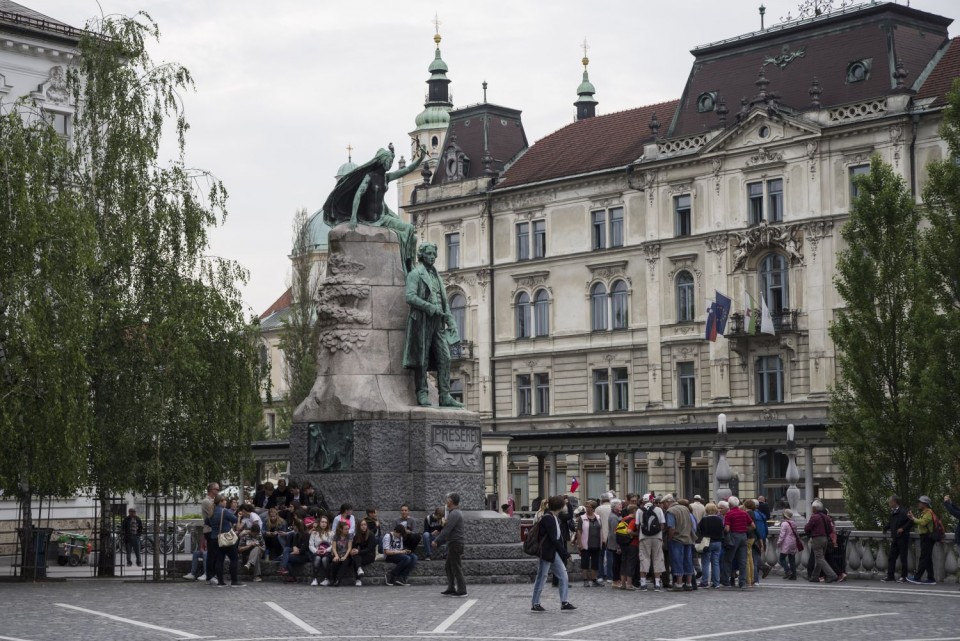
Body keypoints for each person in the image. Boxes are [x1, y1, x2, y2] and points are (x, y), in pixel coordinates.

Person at [321, 143, 426, 272]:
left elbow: (407, 170)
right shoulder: (369, 177)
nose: (390, 164)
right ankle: (408, 264)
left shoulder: (386, 177)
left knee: (409, 229)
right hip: (370, 219)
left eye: (391, 161)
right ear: (382, 161)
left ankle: (410, 264)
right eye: (389, 161)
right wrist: (354, 216)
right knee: (408, 230)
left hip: (384, 218)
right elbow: (358, 194)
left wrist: (420, 159)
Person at [403, 242, 464, 408]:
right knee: (421, 358)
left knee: (445, 358)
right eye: (429, 254)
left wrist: (451, 323)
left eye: (434, 254)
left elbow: (445, 304)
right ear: (422, 255)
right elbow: (409, 297)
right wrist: (429, 307)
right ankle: (421, 392)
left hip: (438, 323)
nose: (432, 257)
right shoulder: (415, 274)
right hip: (422, 321)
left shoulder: (437, 276)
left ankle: (445, 395)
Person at [531, 495, 577, 612]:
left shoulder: (554, 517)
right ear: (560, 506)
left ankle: (564, 602)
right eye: (564, 505)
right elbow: (553, 538)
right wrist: (566, 553)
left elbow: (556, 537)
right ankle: (535, 603)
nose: (565, 506)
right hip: (546, 552)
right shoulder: (549, 518)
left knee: (563, 575)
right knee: (542, 576)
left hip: (553, 551)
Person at [433, 492, 467, 597]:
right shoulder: (453, 513)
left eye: (447, 499)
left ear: (451, 501)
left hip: (455, 543)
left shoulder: (455, 513)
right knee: (448, 566)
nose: (446, 501)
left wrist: (436, 541)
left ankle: (462, 590)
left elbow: (447, 529)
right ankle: (451, 587)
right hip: (453, 543)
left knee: (456, 567)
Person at [664, 495, 695, 591]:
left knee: (677, 561)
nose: (664, 505)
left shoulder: (671, 511)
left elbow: (671, 527)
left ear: (668, 502)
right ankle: (689, 583)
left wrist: (669, 538)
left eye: (664, 503)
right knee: (688, 561)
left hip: (677, 539)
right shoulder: (685, 509)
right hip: (688, 538)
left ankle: (679, 583)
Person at [211, 495, 243, 587]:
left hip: (214, 538)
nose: (226, 502)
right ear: (221, 501)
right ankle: (234, 581)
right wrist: (240, 517)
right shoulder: (224, 511)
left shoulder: (212, 511)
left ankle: (220, 582)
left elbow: (208, 523)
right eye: (225, 501)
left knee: (219, 559)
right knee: (234, 558)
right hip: (225, 538)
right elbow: (235, 520)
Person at [803, 500, 838, 584]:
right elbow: (830, 529)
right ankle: (814, 577)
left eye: (812, 507)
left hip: (817, 539)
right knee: (819, 559)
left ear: (815, 508)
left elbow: (807, 528)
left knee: (820, 559)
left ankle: (832, 575)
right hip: (825, 539)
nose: (812, 509)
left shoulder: (814, 517)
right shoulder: (826, 517)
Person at [723, 496, 753, 588]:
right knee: (742, 561)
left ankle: (726, 581)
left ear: (730, 504)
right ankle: (742, 582)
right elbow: (753, 526)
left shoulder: (729, 514)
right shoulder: (744, 513)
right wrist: (744, 529)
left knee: (728, 559)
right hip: (743, 536)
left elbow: (727, 529)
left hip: (733, 536)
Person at [906, 496, 937, 585]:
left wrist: (913, 518)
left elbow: (923, 522)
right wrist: (913, 518)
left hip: (927, 538)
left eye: (920, 502)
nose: (918, 504)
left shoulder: (928, 512)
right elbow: (921, 521)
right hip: (925, 537)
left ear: (925, 504)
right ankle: (931, 578)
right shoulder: (925, 512)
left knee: (923, 558)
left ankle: (917, 578)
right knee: (927, 558)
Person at [882, 495, 912, 583]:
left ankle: (904, 576)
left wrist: (903, 528)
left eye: (890, 502)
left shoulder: (903, 511)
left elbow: (911, 521)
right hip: (895, 537)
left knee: (903, 557)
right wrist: (885, 527)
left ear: (895, 502)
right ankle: (890, 576)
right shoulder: (893, 512)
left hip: (902, 537)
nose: (889, 504)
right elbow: (891, 522)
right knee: (891, 557)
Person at [637, 499, 665, 591]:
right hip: (657, 537)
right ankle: (657, 584)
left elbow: (637, 525)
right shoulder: (658, 509)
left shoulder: (639, 510)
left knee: (644, 558)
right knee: (658, 558)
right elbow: (662, 525)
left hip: (644, 537)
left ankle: (643, 583)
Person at [576, 500, 603, 587]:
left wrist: (602, 540)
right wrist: (580, 544)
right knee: (585, 563)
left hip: (596, 544)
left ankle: (594, 579)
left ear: (593, 508)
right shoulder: (582, 518)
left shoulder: (598, 517)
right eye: (586, 506)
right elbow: (579, 531)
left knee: (595, 563)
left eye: (589, 506)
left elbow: (601, 529)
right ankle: (585, 580)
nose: (587, 508)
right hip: (585, 544)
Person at [698, 502, 724, 588]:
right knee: (715, 562)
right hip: (718, 542)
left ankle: (705, 581)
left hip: (707, 542)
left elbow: (699, 530)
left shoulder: (704, 520)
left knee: (705, 562)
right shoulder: (720, 519)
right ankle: (716, 582)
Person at [200, 482, 220, 583]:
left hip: (216, 530)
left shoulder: (214, 501)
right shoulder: (207, 501)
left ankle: (214, 574)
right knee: (212, 553)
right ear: (211, 490)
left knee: (216, 553)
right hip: (210, 530)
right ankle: (210, 575)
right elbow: (214, 514)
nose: (218, 491)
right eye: (217, 489)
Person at [351, 518, 377, 586]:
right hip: (361, 554)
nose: (363, 526)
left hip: (369, 555)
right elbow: (353, 546)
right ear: (359, 526)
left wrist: (358, 551)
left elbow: (369, 549)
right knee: (356, 558)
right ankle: (359, 569)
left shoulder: (371, 535)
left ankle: (358, 579)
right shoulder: (357, 535)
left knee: (356, 559)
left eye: (365, 524)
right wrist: (353, 550)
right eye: (362, 525)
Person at [776, 509, 800, 581]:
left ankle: (788, 571)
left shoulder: (784, 524)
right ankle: (794, 575)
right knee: (792, 559)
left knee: (781, 559)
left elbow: (782, 535)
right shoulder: (794, 523)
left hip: (786, 543)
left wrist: (779, 542)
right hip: (793, 542)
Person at [309, 515, 333, 587]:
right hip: (317, 552)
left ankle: (327, 578)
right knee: (317, 558)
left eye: (325, 522)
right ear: (319, 523)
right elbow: (311, 545)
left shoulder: (331, 533)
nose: (324, 524)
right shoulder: (314, 533)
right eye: (322, 522)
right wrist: (316, 551)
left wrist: (326, 550)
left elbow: (333, 545)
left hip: (327, 552)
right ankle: (315, 579)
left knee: (324, 559)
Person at [328, 520, 354, 586]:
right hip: (338, 553)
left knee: (345, 563)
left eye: (348, 529)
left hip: (346, 554)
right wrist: (336, 556)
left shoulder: (349, 536)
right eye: (345, 529)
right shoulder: (336, 536)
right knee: (335, 562)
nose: (347, 530)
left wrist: (345, 556)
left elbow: (349, 548)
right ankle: (332, 579)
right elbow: (333, 547)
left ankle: (338, 580)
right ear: (341, 529)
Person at [595, 493, 614, 584]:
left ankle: (600, 575)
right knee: (610, 556)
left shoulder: (598, 509)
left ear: (601, 500)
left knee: (600, 556)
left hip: (601, 535)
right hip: (611, 535)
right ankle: (610, 576)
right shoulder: (612, 508)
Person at [605, 499, 623, 588]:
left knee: (618, 562)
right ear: (614, 506)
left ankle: (617, 579)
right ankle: (615, 580)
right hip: (615, 544)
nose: (621, 505)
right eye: (619, 504)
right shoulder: (614, 517)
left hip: (616, 543)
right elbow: (614, 533)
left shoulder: (617, 515)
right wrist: (618, 546)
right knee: (616, 562)